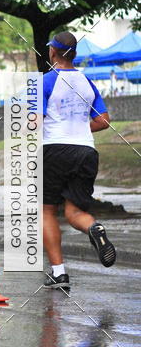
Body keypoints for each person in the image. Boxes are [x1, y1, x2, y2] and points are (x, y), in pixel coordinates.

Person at [42, 31, 116, 290]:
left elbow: (33, 122)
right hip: (85, 151)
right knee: (74, 213)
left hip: (53, 150)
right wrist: (80, 129)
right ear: (73, 54)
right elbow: (103, 120)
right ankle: (94, 228)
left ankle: (59, 273)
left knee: (47, 210)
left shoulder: (44, 81)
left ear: (52, 52)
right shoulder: (87, 82)